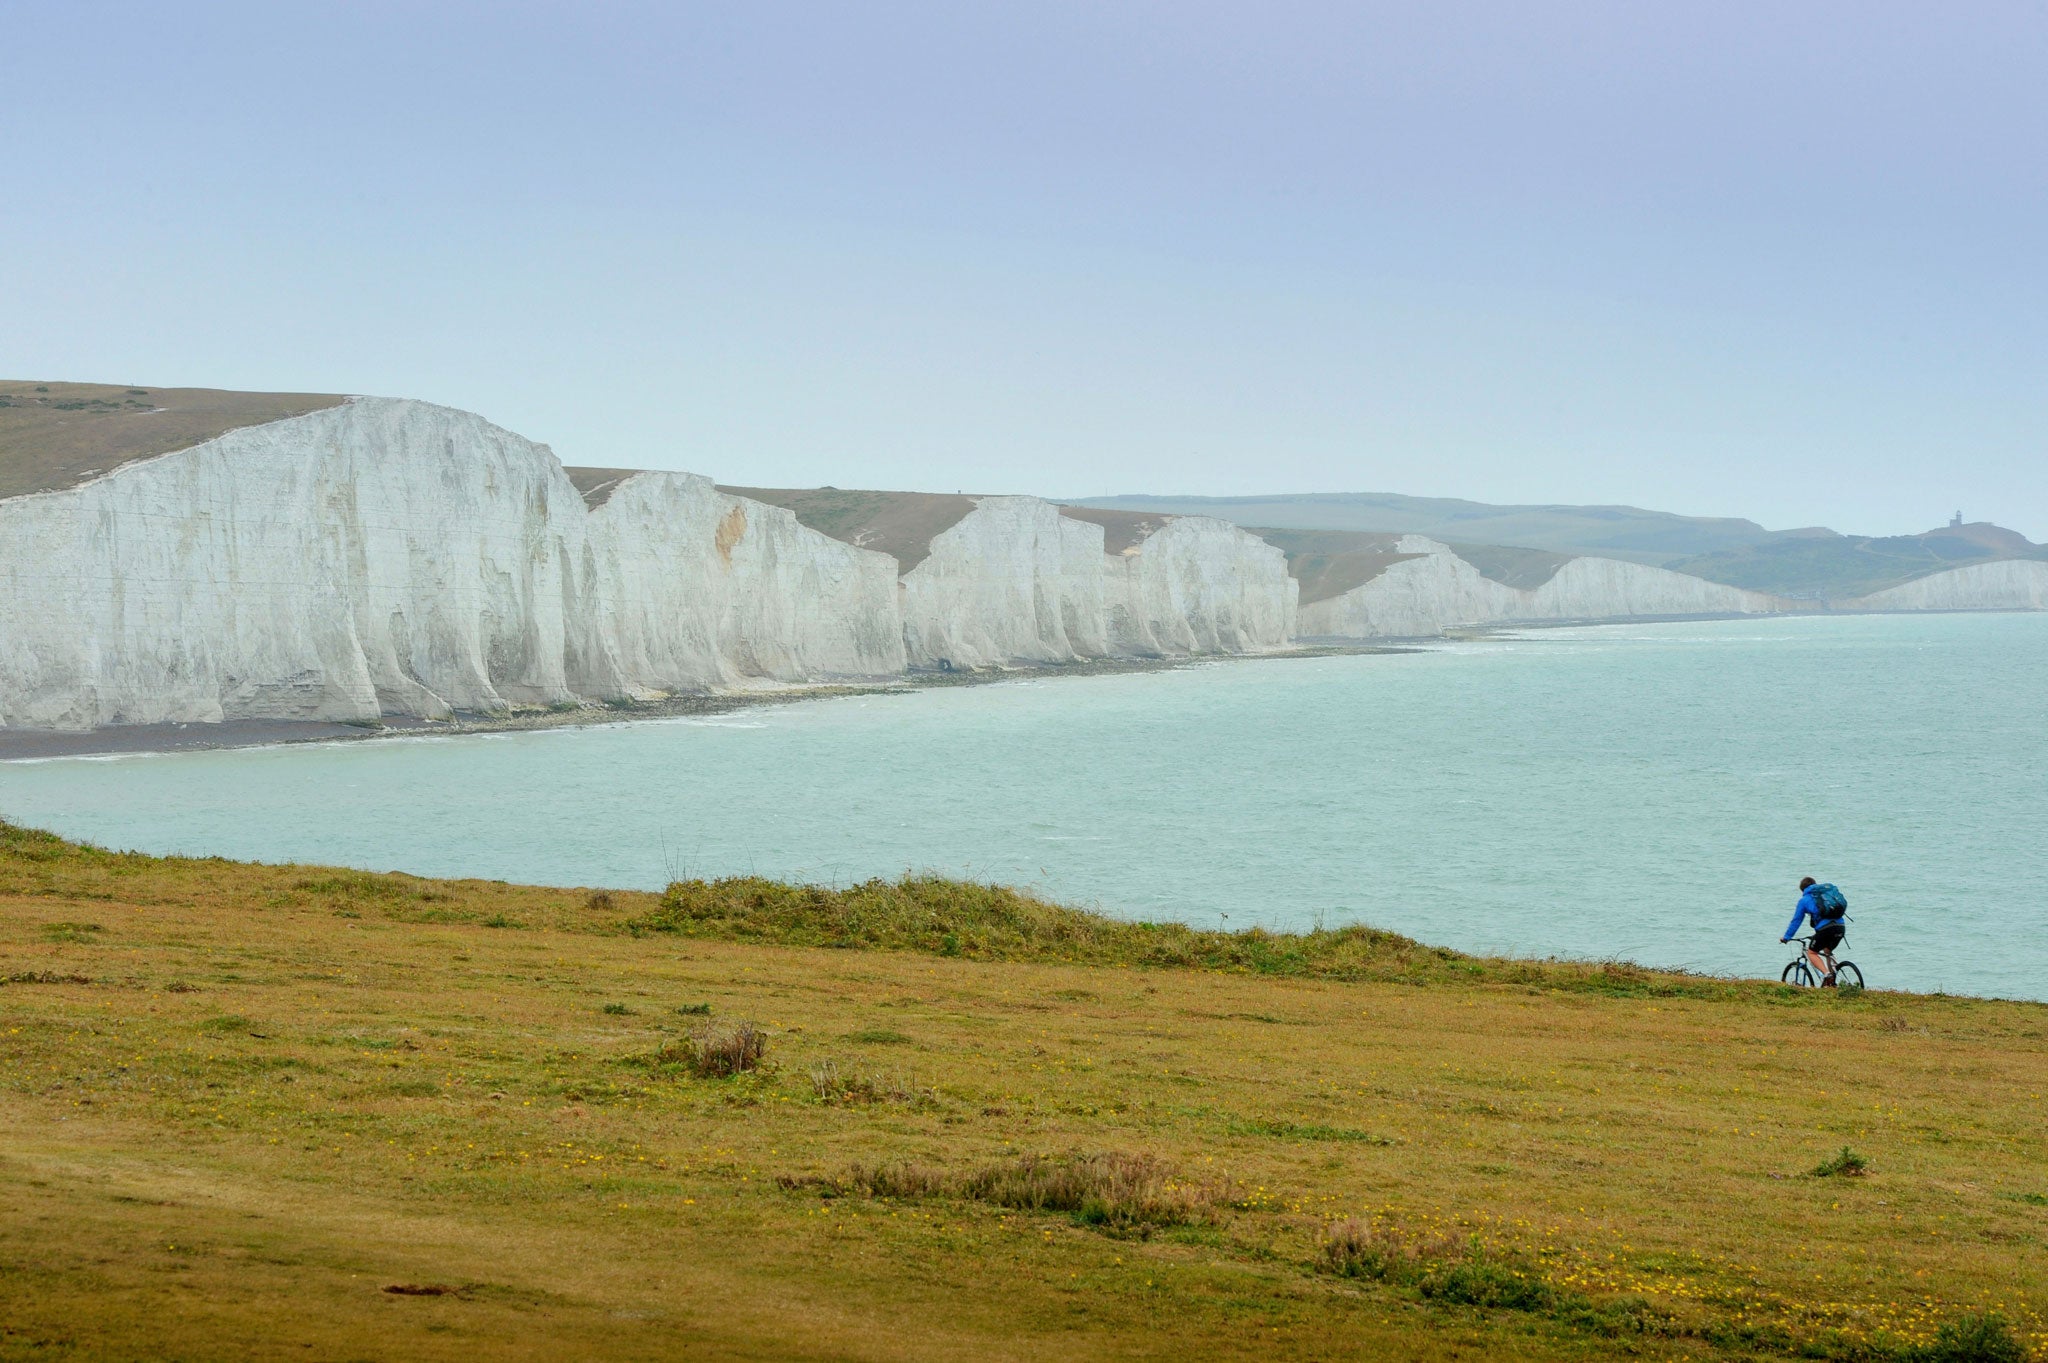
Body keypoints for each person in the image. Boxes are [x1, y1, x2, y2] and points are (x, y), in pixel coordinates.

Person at [1782, 876, 1848, 986]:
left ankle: (1827, 974)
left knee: (1811, 952)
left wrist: (1786, 937)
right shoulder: (1826, 895)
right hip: (1841, 927)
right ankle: (1832, 980)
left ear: (1803, 890)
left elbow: (1796, 921)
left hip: (1825, 930)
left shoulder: (1804, 900)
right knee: (1827, 951)